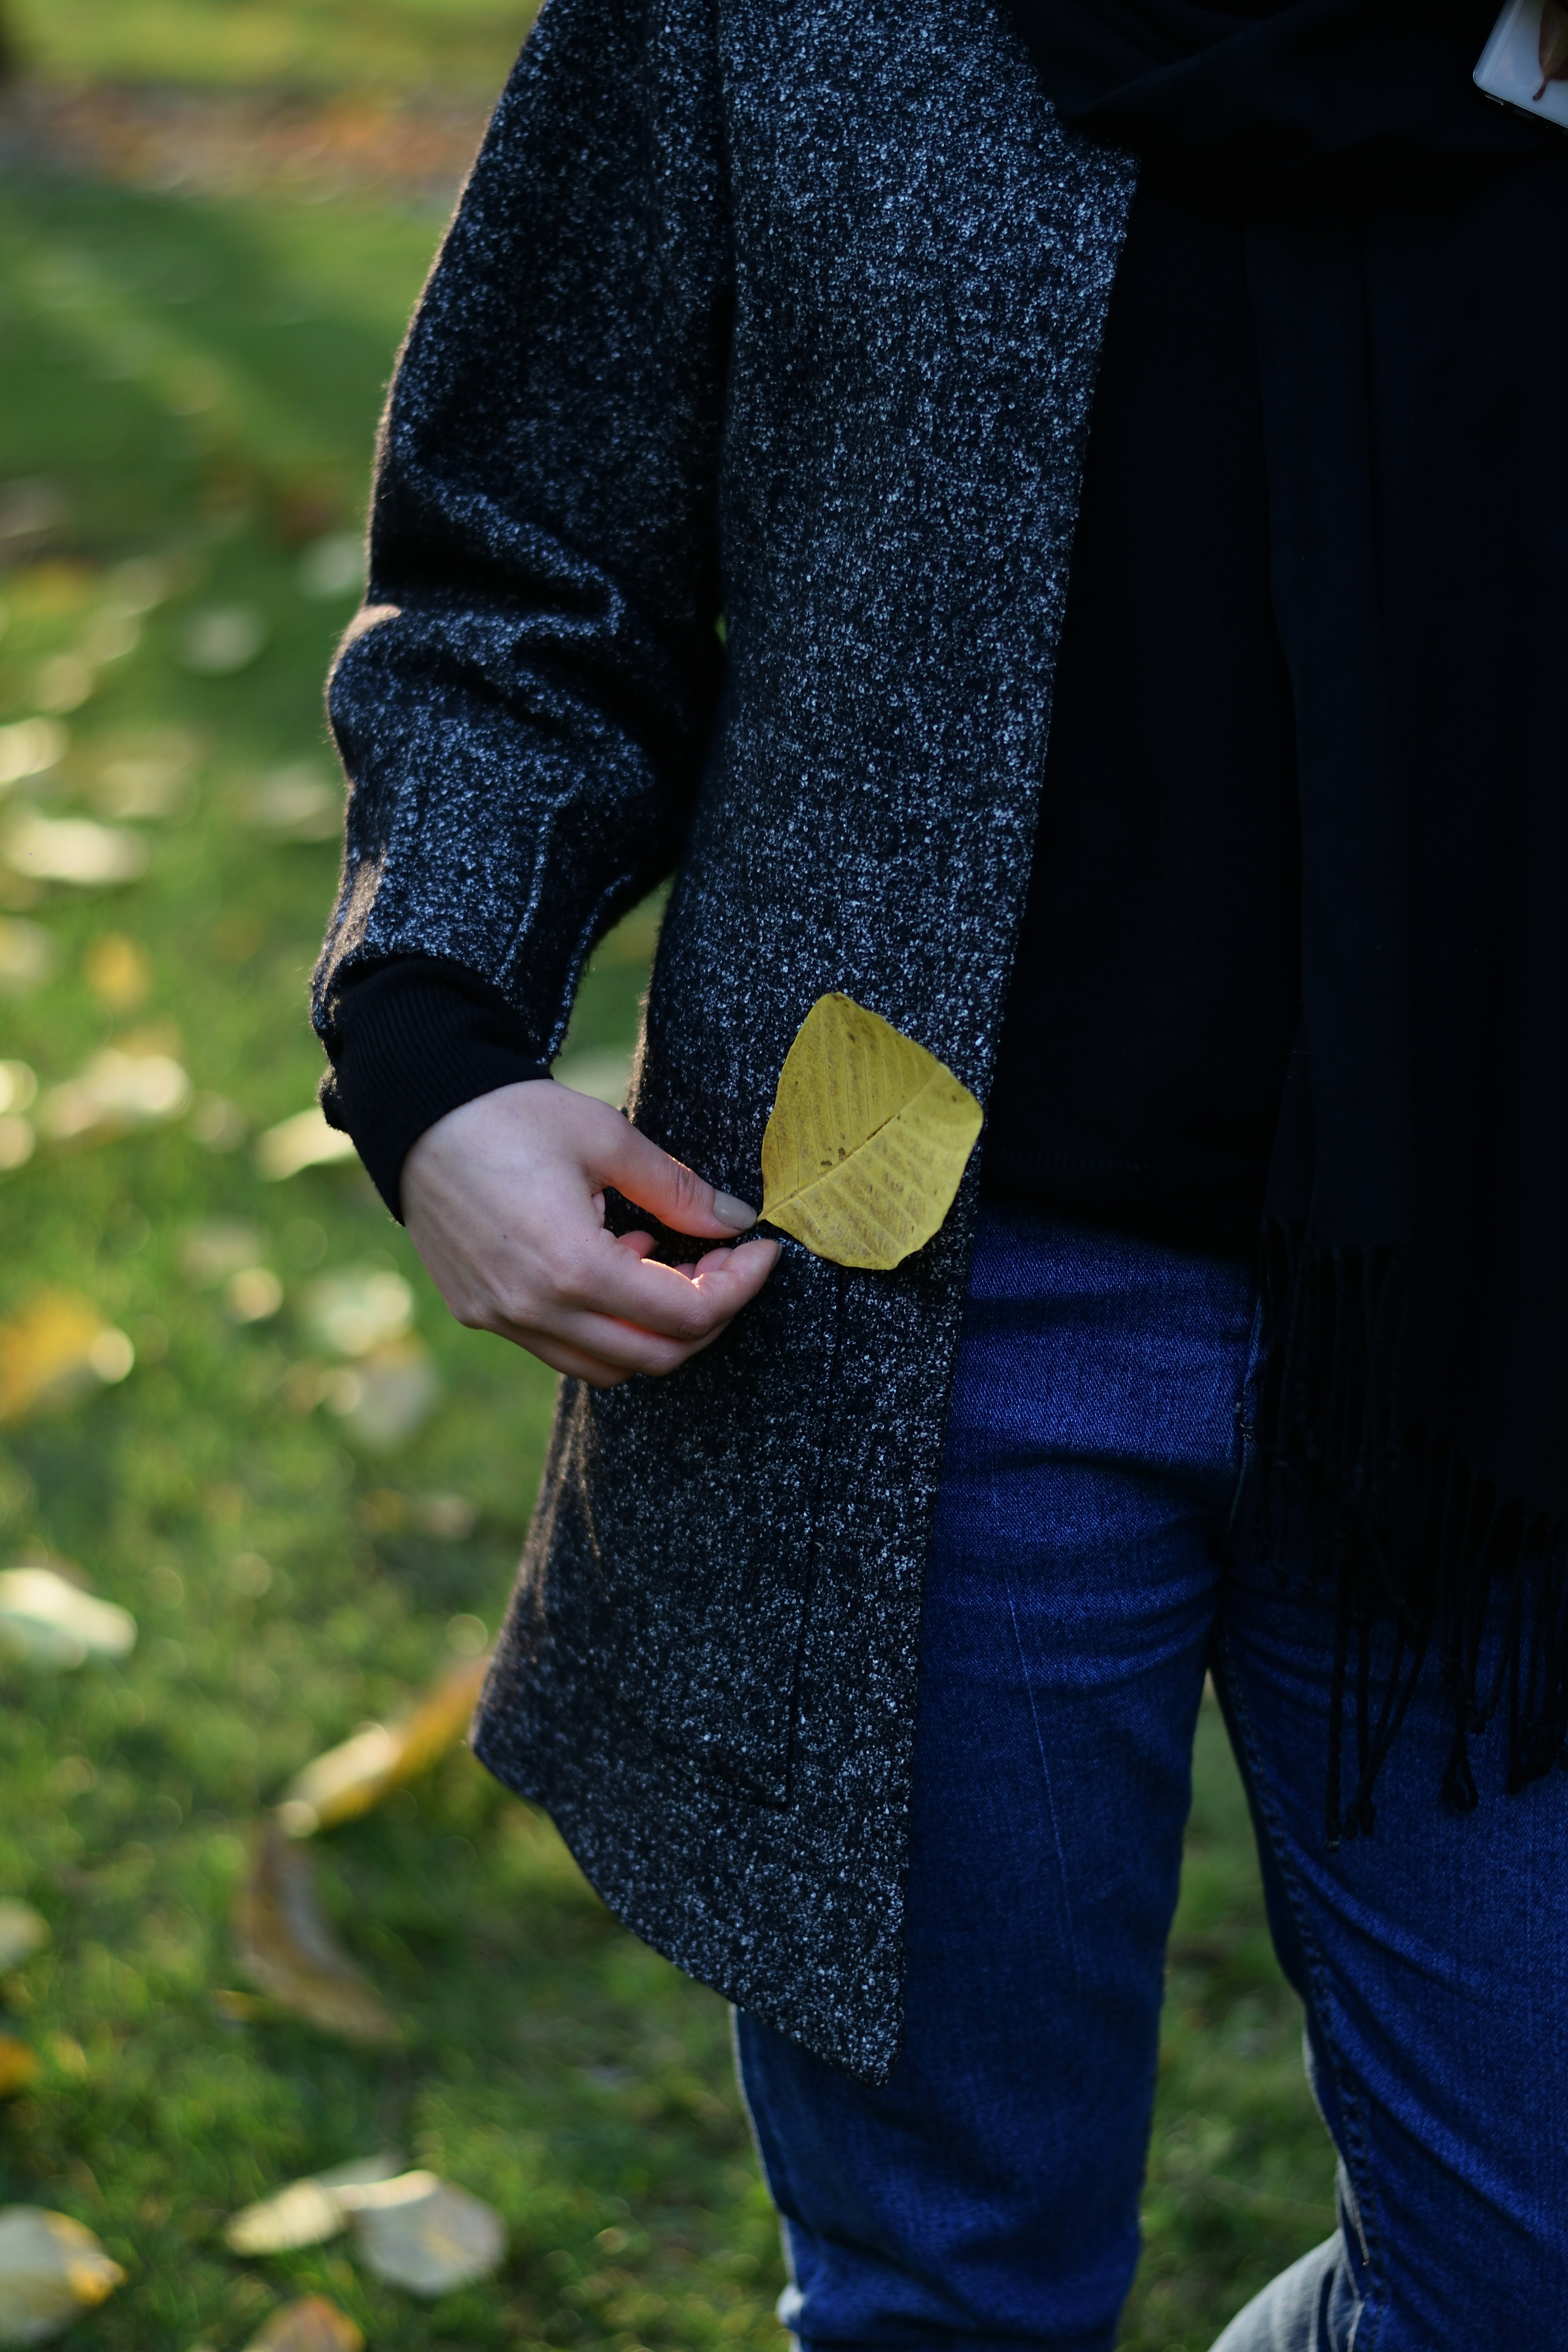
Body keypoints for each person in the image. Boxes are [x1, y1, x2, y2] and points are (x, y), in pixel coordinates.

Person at [311, 0, 1568, 2342]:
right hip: (926, 1337)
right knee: (951, 2298)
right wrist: (435, 1051)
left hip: (1509, 1327)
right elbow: (523, 572)